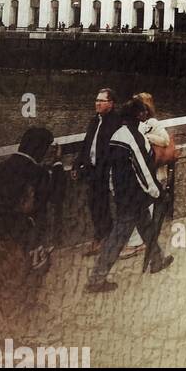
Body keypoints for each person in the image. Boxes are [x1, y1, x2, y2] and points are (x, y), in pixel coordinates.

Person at [86, 96, 174, 291]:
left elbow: (111, 169)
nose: (145, 114)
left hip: (123, 195)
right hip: (134, 197)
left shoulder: (118, 135)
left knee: (147, 228)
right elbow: (143, 170)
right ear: (137, 115)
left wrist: (113, 191)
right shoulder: (134, 137)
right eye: (142, 112)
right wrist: (157, 192)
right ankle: (96, 280)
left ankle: (157, 260)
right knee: (118, 238)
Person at [0, 126, 63, 288]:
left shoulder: (1, 167)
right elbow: (56, 196)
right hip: (27, 233)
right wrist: (57, 163)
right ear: (40, 149)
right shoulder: (38, 173)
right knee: (32, 273)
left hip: (3, 231)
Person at [124, 91, 173, 257]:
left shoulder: (152, 123)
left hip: (155, 173)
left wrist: (146, 137)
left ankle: (140, 243)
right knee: (144, 209)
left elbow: (165, 140)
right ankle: (145, 243)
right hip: (145, 173)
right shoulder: (137, 123)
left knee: (146, 208)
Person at [73, 87, 121, 255]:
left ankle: (104, 241)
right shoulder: (95, 120)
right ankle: (100, 238)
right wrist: (76, 164)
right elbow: (87, 144)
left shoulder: (115, 122)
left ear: (111, 103)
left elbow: (112, 150)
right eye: (97, 100)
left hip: (105, 172)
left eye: (101, 100)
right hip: (91, 171)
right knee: (94, 205)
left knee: (103, 207)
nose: (97, 103)